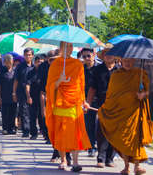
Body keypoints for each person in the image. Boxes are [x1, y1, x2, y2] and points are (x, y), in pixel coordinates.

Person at [97, 58, 153, 175]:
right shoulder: (116, 76)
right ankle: (126, 166)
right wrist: (105, 109)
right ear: (121, 61)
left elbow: (147, 91)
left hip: (135, 112)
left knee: (135, 139)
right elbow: (111, 95)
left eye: (130, 61)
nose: (128, 63)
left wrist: (143, 94)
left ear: (134, 61)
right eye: (125, 61)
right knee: (123, 140)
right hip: (120, 113)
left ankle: (137, 166)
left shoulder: (140, 73)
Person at [46, 41, 91, 172]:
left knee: (75, 133)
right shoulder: (55, 64)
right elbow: (50, 87)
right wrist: (59, 80)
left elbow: (81, 85)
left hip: (75, 102)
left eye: (71, 46)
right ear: (60, 48)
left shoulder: (78, 64)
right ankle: (63, 160)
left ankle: (76, 162)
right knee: (61, 133)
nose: (68, 48)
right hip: (60, 102)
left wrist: (84, 101)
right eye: (65, 46)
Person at [87, 45, 117, 168]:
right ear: (103, 56)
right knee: (101, 131)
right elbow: (92, 88)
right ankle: (101, 157)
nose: (108, 55)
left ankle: (110, 158)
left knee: (114, 132)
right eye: (105, 53)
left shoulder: (120, 70)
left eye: (111, 53)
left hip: (117, 105)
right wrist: (88, 103)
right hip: (102, 103)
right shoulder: (97, 70)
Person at [12, 48, 34, 138]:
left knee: (32, 112)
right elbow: (16, 80)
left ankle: (33, 130)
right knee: (24, 111)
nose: (28, 56)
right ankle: (26, 130)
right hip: (21, 92)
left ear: (32, 56)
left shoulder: (35, 66)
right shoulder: (20, 67)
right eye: (26, 55)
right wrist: (14, 93)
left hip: (33, 92)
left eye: (29, 55)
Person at [81, 48, 97, 157]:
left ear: (94, 55)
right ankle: (91, 147)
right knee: (89, 124)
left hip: (99, 99)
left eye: (88, 56)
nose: (87, 58)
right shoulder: (81, 69)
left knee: (100, 125)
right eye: (84, 56)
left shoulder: (99, 68)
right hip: (85, 100)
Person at [0, 54, 17, 135]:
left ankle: (12, 128)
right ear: (4, 62)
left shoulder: (15, 70)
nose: (8, 64)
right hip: (4, 95)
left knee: (13, 112)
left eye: (10, 62)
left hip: (13, 95)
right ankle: (5, 128)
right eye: (7, 62)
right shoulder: (1, 71)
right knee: (5, 113)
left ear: (12, 62)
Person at [26, 54, 45, 140]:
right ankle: (34, 133)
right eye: (37, 62)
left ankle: (45, 133)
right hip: (33, 97)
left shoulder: (45, 71)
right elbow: (27, 85)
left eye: (41, 62)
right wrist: (28, 96)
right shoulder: (31, 72)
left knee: (43, 116)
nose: (39, 63)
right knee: (33, 116)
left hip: (44, 97)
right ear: (35, 62)